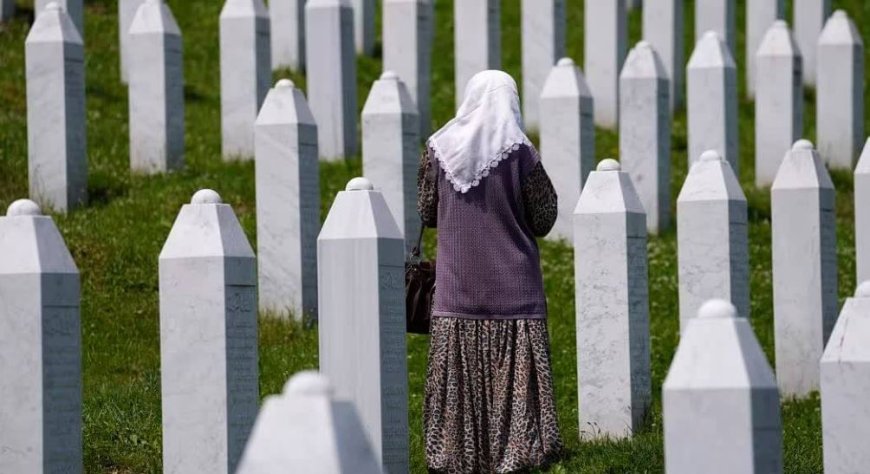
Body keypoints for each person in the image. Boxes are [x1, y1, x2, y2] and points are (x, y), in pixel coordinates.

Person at [417, 70, 563, 473]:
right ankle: (515, 452)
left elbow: (426, 211)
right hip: (515, 290)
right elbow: (545, 218)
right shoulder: (521, 154)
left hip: (457, 289)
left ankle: (455, 453)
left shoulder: (437, 150)